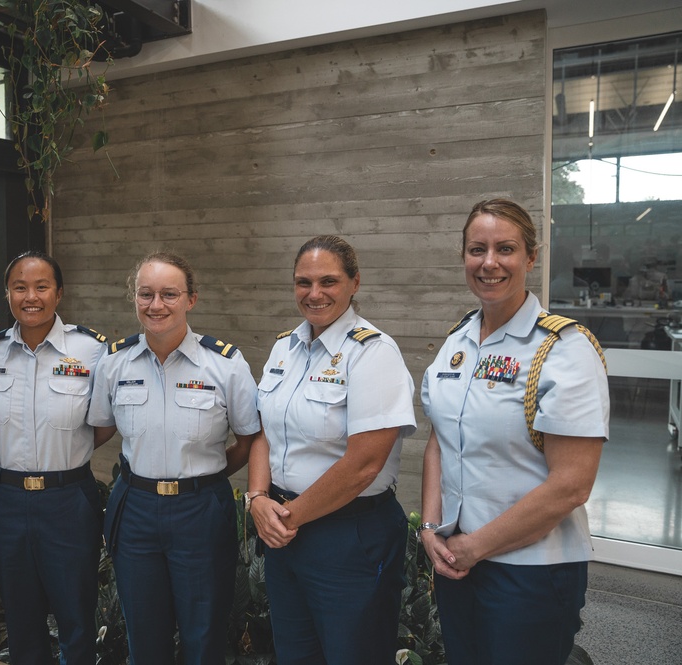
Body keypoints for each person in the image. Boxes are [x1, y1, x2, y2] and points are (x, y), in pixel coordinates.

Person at [420, 198, 609, 665]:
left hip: (531, 571)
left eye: (505, 249)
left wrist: (474, 546)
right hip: (457, 561)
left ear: (531, 256)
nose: (489, 263)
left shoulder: (564, 348)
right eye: (476, 249)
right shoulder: (457, 340)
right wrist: (429, 528)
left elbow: (572, 485)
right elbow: (439, 441)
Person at [248, 234, 416, 665]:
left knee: (352, 654)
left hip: (349, 535)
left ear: (354, 283)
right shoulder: (285, 347)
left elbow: (364, 464)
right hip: (286, 532)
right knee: (296, 653)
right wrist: (257, 498)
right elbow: (265, 430)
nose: (314, 293)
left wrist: (286, 517)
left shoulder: (373, 353)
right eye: (303, 282)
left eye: (328, 281)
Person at [87, 251, 262, 665]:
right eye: (145, 294)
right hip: (136, 508)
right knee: (144, 637)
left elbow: (252, 439)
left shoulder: (225, 364)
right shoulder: (113, 362)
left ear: (191, 299)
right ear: (134, 298)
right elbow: (99, 428)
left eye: (169, 294)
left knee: (204, 635)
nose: (156, 305)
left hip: (201, 509)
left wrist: (210, 476)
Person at [0, 251, 107, 665]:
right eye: (19, 287)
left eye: (41, 286)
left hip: (68, 500)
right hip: (8, 501)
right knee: (20, 619)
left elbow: (104, 422)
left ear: (59, 293)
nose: (30, 297)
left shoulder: (91, 351)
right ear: (7, 294)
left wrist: (66, 451)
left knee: (76, 617)